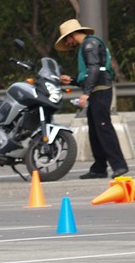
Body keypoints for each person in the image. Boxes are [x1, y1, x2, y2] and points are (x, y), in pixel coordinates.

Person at [55, 18, 128, 180]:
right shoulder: (88, 45)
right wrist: (72, 80)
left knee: (104, 128)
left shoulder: (89, 45)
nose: (67, 43)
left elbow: (95, 69)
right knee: (95, 131)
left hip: (100, 90)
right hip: (96, 90)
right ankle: (99, 168)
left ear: (72, 35)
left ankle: (119, 165)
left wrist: (86, 93)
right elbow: (89, 73)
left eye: (66, 39)